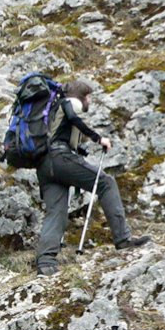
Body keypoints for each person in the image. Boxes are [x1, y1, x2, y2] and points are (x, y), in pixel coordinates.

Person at [36, 79, 149, 276]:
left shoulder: (52, 110)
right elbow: (73, 118)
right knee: (106, 183)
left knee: (56, 211)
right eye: (88, 97)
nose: (89, 102)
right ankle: (123, 239)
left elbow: (59, 133)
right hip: (61, 158)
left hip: (45, 165)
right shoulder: (70, 103)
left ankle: (46, 263)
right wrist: (98, 138)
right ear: (82, 97)